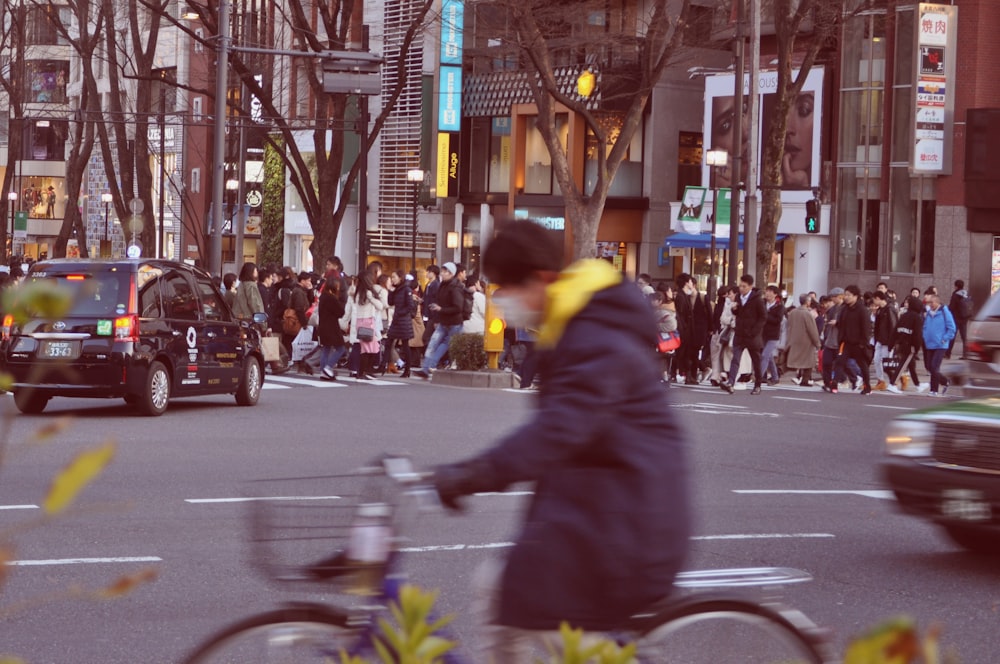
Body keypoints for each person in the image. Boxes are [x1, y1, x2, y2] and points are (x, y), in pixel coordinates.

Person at [431, 220, 690, 661]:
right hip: (601, 508)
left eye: (509, 288)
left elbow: (559, 430)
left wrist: (476, 473)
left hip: (626, 523)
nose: (502, 301)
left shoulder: (594, 334)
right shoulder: (575, 324)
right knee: (501, 590)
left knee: (549, 624)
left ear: (543, 280)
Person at [413, 262, 465, 379]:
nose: (442, 274)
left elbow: (458, 307)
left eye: (444, 271)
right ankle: (427, 368)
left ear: (451, 273)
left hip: (454, 322)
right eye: (442, 271)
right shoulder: (442, 285)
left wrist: (441, 309)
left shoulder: (455, 287)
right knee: (433, 343)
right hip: (444, 320)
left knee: (442, 344)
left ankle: (429, 367)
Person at [721, 274, 765, 395]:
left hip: (752, 336)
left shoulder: (757, 300)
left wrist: (755, 331)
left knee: (756, 360)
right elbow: (739, 313)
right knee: (735, 358)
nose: (741, 288)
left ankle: (758, 385)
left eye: (744, 286)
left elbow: (763, 317)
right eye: (740, 286)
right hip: (740, 333)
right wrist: (734, 310)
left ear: (750, 286)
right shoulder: (739, 298)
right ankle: (731, 382)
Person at [340, 270, 385, 380]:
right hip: (367, 322)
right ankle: (365, 371)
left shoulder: (356, 293)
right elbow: (380, 306)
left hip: (362, 322)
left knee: (368, 347)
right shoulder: (365, 294)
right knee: (368, 348)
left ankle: (363, 371)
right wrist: (371, 298)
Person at [837, 285, 873, 395]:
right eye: (845, 295)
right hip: (846, 342)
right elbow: (842, 324)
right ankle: (834, 383)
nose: (846, 297)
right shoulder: (845, 309)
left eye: (848, 295)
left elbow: (866, 328)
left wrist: (863, 343)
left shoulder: (862, 310)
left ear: (855, 296)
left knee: (863, 365)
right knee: (839, 362)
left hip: (859, 344)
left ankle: (867, 387)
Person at [887, 295, 927, 394]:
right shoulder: (917, 318)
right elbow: (917, 334)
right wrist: (917, 347)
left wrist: (891, 344)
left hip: (901, 343)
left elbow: (895, 330)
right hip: (910, 345)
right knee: (903, 364)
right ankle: (892, 384)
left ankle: (918, 384)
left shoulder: (904, 315)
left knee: (911, 365)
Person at [922, 294, 956, 396]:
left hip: (941, 345)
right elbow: (925, 327)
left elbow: (952, 328)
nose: (930, 304)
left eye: (932, 302)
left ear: (937, 302)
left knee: (934, 367)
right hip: (930, 344)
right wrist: (925, 336)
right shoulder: (928, 313)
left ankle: (934, 389)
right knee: (929, 366)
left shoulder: (945, 312)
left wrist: (944, 339)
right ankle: (944, 382)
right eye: (929, 303)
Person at [786, 294, 820, 387]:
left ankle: (800, 378)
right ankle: (805, 379)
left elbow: (788, 326)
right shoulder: (807, 314)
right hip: (806, 341)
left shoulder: (793, 312)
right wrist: (817, 342)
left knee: (795, 360)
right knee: (809, 361)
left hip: (794, 339)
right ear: (807, 302)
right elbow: (812, 329)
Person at [317, 273, 347, 380]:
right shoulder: (332, 298)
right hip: (332, 327)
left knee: (326, 348)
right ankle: (328, 367)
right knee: (341, 348)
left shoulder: (323, 297)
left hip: (323, 326)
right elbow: (340, 312)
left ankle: (322, 371)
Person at [386, 270, 415, 378]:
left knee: (405, 345)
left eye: (394, 277)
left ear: (400, 278)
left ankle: (407, 369)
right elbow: (390, 302)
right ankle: (384, 365)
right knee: (388, 342)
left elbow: (410, 305)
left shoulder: (406, 289)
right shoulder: (397, 289)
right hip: (397, 320)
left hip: (403, 321)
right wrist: (391, 291)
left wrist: (400, 313)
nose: (392, 279)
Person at [948, 279, 972, 359]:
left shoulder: (955, 294)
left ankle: (948, 353)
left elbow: (951, 307)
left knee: (952, 336)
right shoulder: (966, 294)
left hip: (956, 318)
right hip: (964, 319)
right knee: (964, 337)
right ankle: (965, 354)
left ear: (956, 286)